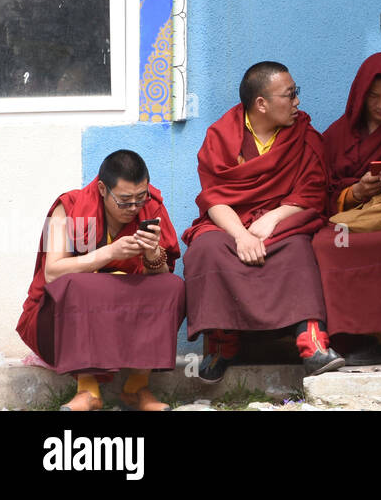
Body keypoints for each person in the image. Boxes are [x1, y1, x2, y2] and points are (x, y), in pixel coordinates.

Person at [181, 61, 344, 380]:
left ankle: (312, 345)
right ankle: (220, 344)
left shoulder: (305, 137)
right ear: (261, 104)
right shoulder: (221, 136)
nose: (297, 101)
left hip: (283, 221)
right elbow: (214, 198)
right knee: (206, 248)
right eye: (290, 94)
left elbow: (311, 194)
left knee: (297, 248)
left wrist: (273, 219)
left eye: (296, 93)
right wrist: (241, 236)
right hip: (231, 223)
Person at [17, 150, 184, 411]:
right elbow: (52, 272)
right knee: (80, 285)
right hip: (64, 318)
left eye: (140, 198)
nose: (134, 208)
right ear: (103, 188)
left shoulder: (151, 207)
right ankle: (88, 390)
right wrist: (109, 253)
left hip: (123, 316)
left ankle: (136, 387)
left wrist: (152, 254)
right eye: (125, 200)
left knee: (172, 286)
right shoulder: (67, 206)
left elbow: (162, 281)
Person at [311, 52, 381, 366]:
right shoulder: (338, 135)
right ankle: (353, 336)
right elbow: (319, 187)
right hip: (349, 218)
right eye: (373, 97)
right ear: (360, 96)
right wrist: (355, 191)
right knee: (327, 244)